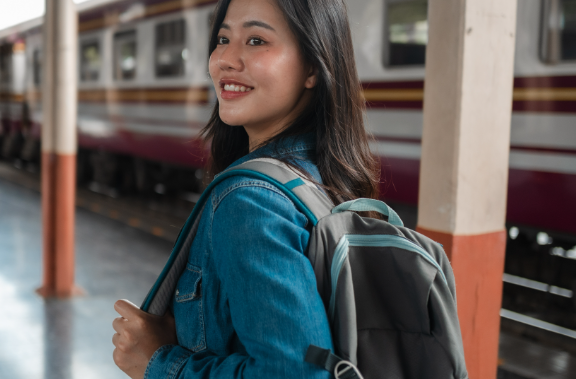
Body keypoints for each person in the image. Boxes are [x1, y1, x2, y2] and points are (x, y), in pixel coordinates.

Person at [111, 0, 379, 377]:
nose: (225, 59)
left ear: (312, 67)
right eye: (223, 39)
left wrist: (157, 362)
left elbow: (293, 374)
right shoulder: (325, 178)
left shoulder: (251, 200)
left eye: (256, 40)